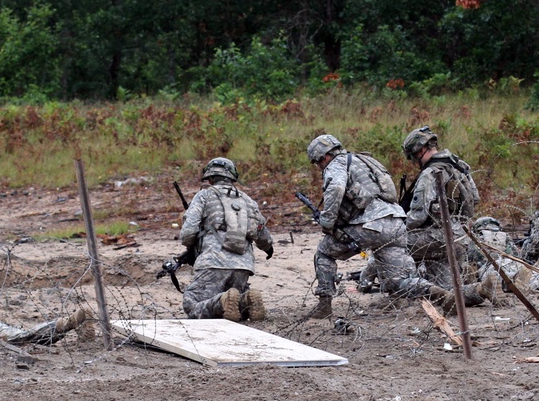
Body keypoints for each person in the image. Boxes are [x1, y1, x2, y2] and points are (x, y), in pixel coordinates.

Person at [306, 134, 451, 318]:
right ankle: (438, 292)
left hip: (371, 225)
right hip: (396, 223)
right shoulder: (365, 160)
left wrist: (327, 221)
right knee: (397, 282)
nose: (320, 166)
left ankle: (324, 305)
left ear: (324, 157)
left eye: (318, 163)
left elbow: (336, 188)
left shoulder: (336, 164)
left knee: (324, 252)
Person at [177, 157, 273, 322]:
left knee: (192, 304)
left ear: (210, 178)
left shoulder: (204, 196)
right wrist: (268, 248)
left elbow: (188, 232)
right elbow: (262, 234)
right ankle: (246, 300)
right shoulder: (248, 200)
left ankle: (223, 301)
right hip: (243, 266)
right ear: (232, 177)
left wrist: (191, 248)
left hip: (213, 261)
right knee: (233, 306)